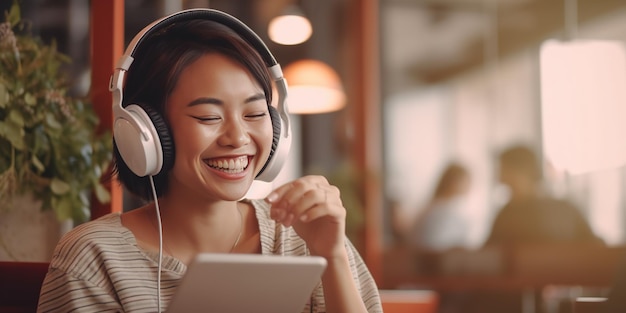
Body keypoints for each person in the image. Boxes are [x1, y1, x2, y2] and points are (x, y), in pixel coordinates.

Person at [37, 9, 382, 313]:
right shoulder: (94, 258)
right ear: (148, 132)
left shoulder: (300, 237)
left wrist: (333, 255)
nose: (238, 138)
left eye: (255, 113)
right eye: (207, 116)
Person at [484, 144, 603, 246]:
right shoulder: (565, 209)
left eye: (501, 168)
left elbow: (593, 247)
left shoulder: (508, 215)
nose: (498, 176)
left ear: (518, 170)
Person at [401, 162, 472, 251]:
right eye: (467, 181)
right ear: (455, 182)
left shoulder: (429, 208)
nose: (470, 186)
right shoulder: (445, 213)